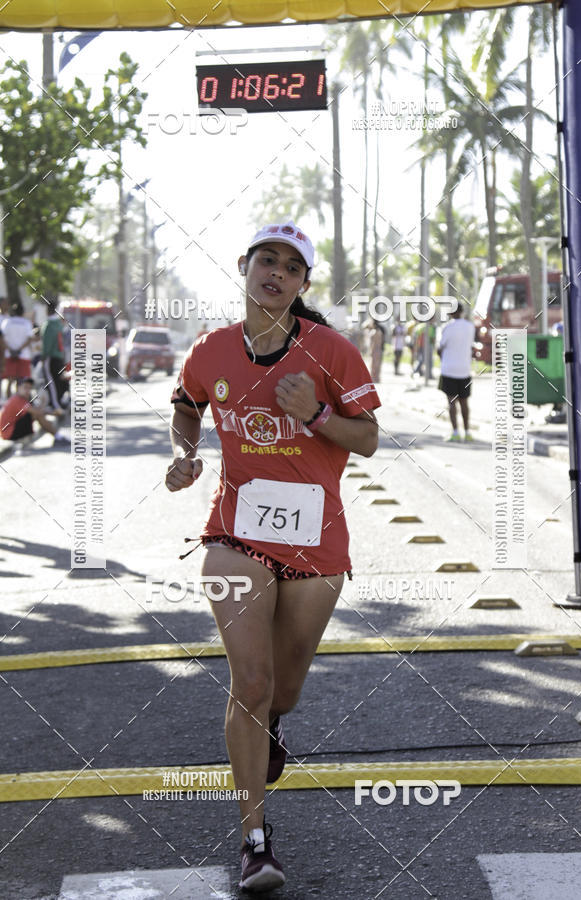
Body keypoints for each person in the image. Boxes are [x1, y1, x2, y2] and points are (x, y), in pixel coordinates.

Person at [166, 221, 380, 893]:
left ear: (303, 285)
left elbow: (368, 439)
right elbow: (186, 402)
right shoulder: (211, 349)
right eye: (267, 259)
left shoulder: (333, 352)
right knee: (250, 684)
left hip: (317, 546)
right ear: (245, 265)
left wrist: (317, 415)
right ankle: (254, 840)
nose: (276, 272)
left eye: (292, 266)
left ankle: (274, 726)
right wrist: (184, 450)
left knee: (282, 690)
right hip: (236, 537)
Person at [438, 301, 476, 441]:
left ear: (451, 313)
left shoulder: (447, 327)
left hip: (449, 369)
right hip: (465, 369)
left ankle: (455, 432)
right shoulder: (470, 327)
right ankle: (467, 432)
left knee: (452, 402)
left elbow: (440, 346)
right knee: (465, 402)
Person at [0, 376, 69, 445]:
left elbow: (37, 410)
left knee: (38, 415)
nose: (28, 390)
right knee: (37, 415)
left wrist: (53, 413)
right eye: (25, 387)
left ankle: (57, 436)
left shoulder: (22, 398)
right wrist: (44, 402)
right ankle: (58, 437)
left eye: (29, 388)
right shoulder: (16, 399)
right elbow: (37, 412)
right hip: (9, 433)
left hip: (12, 429)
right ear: (18, 388)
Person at [40, 298, 68, 413]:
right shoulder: (59, 324)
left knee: (50, 382)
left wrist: (43, 356)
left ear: (47, 310)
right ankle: (59, 402)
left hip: (50, 357)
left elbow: (47, 344)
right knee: (59, 380)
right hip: (60, 356)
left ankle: (55, 405)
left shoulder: (48, 325)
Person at [1, 299, 34, 398]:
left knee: (10, 381)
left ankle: (9, 402)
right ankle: (19, 405)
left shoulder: (7, 322)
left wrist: (11, 349)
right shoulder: (27, 323)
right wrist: (19, 350)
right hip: (23, 355)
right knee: (21, 382)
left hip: (10, 354)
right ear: (23, 312)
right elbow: (29, 339)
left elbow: (1, 338)